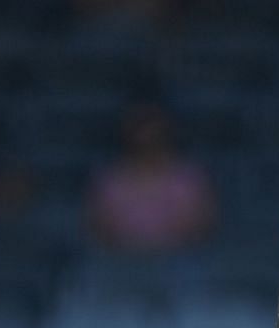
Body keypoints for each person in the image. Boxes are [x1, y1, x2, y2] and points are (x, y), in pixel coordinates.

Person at [85, 100, 216, 255]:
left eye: (154, 132)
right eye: (140, 129)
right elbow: (98, 228)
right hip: (120, 263)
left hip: (181, 263)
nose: (147, 137)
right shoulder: (110, 180)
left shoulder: (190, 178)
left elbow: (203, 226)